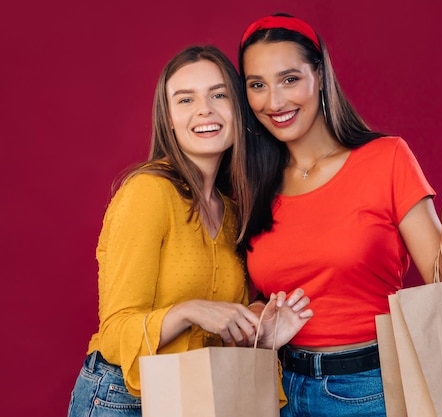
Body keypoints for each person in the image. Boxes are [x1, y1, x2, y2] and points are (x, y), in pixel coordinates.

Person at [235, 14, 442, 417]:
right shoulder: (251, 184)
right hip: (276, 390)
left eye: (289, 79)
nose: (274, 102)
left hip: (368, 389)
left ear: (319, 75)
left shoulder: (386, 158)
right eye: (257, 85)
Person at [67, 44, 313, 417]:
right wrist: (188, 311)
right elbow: (115, 332)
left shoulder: (233, 213)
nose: (204, 110)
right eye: (185, 100)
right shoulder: (148, 193)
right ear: (167, 118)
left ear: (238, 109)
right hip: (123, 399)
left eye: (219, 94)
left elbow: (213, 334)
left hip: (194, 398)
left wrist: (259, 334)